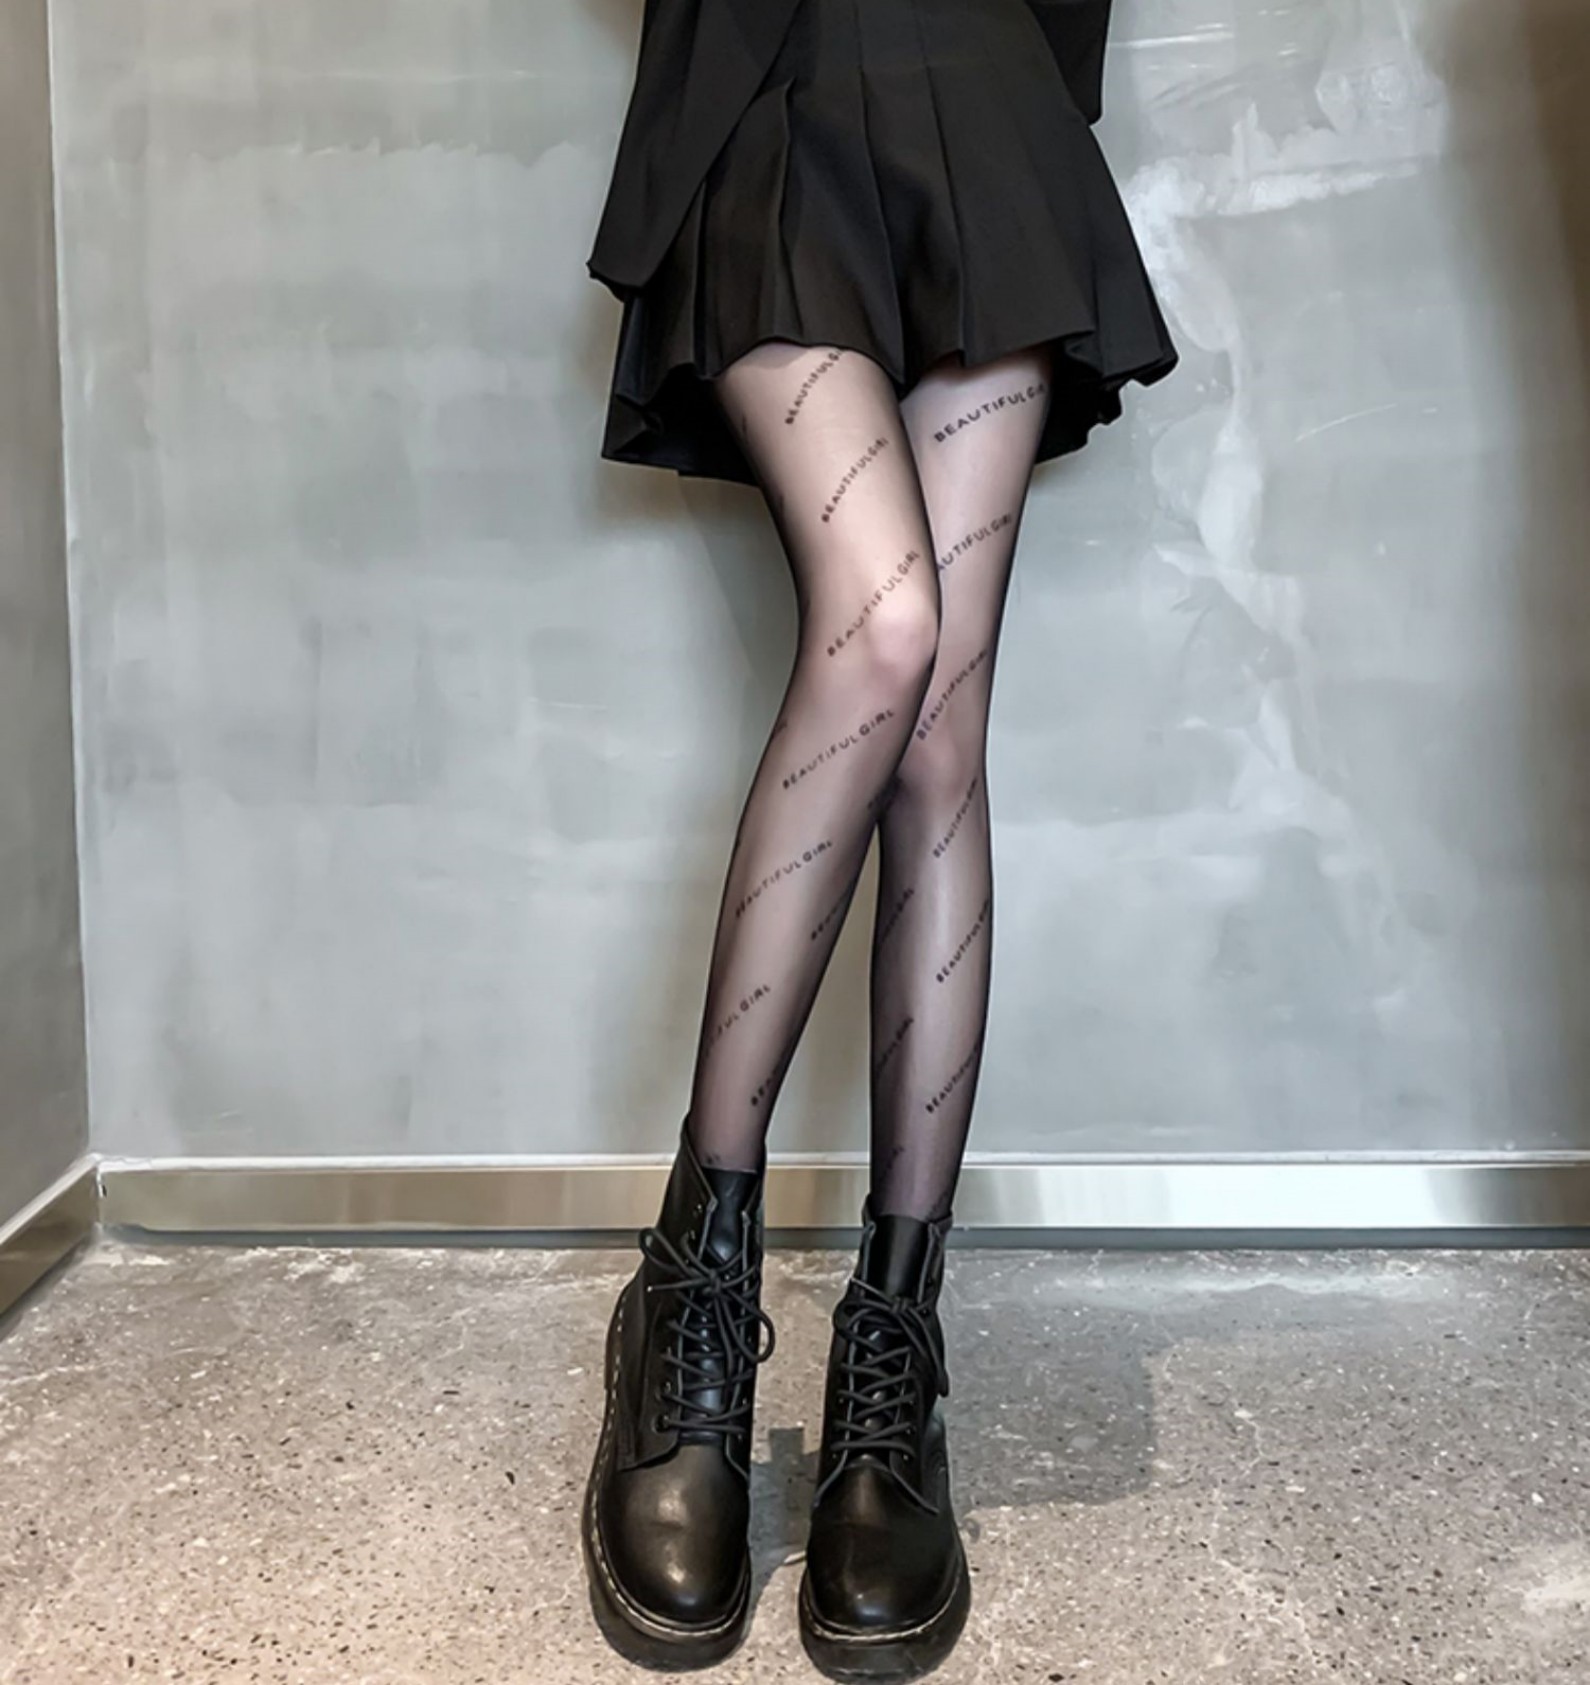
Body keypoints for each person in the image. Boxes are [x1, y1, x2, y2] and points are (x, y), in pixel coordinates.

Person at [578, 0, 1180, 1674]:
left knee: (936, 734)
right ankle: (690, 1300)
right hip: (775, 94)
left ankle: (887, 1368)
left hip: (986, 97)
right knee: (883, 635)